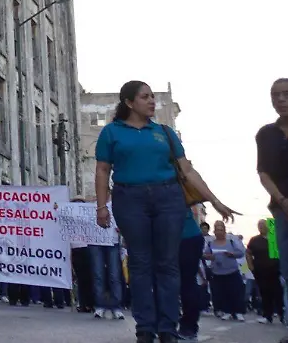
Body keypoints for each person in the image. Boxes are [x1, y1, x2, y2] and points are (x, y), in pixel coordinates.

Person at [95, 80, 235, 343]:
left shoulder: (164, 132)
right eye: (145, 97)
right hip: (129, 199)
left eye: (152, 96)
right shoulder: (111, 132)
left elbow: (187, 170)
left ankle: (168, 328)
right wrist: (102, 207)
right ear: (129, 102)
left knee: (168, 265)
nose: (152, 101)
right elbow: (103, 170)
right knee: (139, 264)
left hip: (168, 198)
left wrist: (214, 200)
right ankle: (145, 328)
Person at [258, 78, 288, 343]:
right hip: (283, 212)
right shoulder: (266, 134)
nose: (281, 100)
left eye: (287, 94)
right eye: (276, 95)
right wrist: (282, 200)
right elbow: (263, 172)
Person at [205, 220, 246, 321]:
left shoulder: (231, 241)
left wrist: (232, 254)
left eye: (221, 230)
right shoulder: (210, 243)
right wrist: (210, 256)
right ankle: (227, 311)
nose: (219, 232)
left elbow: (241, 253)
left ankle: (238, 312)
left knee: (236, 292)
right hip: (217, 272)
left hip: (232, 271)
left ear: (224, 231)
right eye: (217, 230)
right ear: (214, 232)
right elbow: (205, 254)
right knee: (222, 293)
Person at [178, 204, 207, 341]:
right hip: (190, 235)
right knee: (188, 283)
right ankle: (189, 327)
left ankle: (187, 326)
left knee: (185, 283)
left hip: (182, 236)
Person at [89, 212, 125, 320]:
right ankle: (100, 305)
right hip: (95, 239)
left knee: (114, 274)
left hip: (112, 239)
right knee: (98, 274)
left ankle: (116, 307)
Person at [248, 218, 283, 324]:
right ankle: (267, 315)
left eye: (263, 224)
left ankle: (282, 314)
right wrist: (251, 266)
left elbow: (280, 253)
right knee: (264, 293)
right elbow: (248, 253)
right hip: (260, 271)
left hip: (275, 271)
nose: (261, 227)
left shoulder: (274, 238)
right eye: (259, 225)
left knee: (278, 293)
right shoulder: (254, 240)